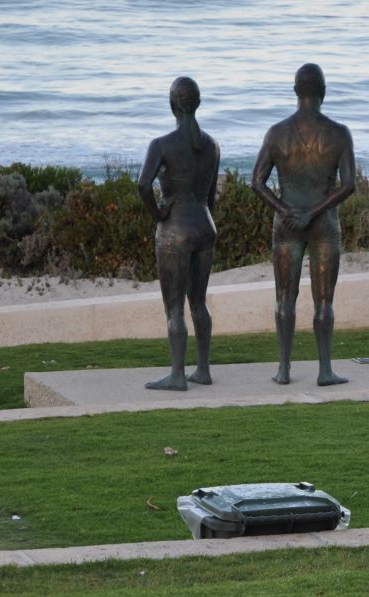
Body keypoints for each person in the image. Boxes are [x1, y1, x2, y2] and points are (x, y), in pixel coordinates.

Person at [251, 63, 357, 386]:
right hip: (324, 223)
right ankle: (324, 370)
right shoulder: (339, 134)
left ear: (296, 91)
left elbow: (256, 182)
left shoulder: (277, 133)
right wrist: (314, 212)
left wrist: (286, 209)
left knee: (285, 297)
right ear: (323, 92)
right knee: (324, 300)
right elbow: (349, 184)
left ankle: (284, 369)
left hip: (286, 225)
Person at [138, 76, 220, 391]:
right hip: (204, 225)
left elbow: (143, 185)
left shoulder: (161, 145)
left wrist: (158, 214)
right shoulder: (212, 144)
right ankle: (202, 369)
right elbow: (211, 195)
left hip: (176, 228)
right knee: (198, 301)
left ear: (174, 103)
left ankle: (176, 375)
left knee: (174, 307)